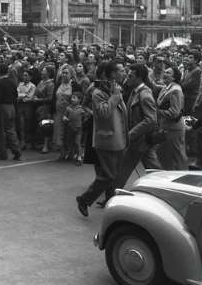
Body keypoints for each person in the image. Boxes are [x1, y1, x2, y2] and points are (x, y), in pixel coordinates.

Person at [76, 61, 128, 217]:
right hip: (106, 139)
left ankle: (111, 202)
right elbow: (104, 113)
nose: (123, 73)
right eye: (120, 70)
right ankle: (84, 199)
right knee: (109, 175)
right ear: (110, 74)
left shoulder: (115, 88)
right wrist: (115, 96)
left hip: (119, 137)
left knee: (113, 174)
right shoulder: (98, 92)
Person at [114, 64, 160, 194]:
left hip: (139, 140)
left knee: (124, 168)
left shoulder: (144, 94)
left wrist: (130, 134)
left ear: (139, 78)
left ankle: (111, 194)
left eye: (131, 76)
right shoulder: (137, 91)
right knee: (153, 169)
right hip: (140, 140)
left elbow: (151, 120)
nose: (127, 78)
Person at [156, 67, 188, 170]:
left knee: (177, 159)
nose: (164, 73)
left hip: (174, 129)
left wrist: (157, 112)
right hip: (166, 127)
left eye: (168, 73)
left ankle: (184, 178)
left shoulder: (175, 90)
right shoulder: (166, 87)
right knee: (165, 157)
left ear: (174, 77)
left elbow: (174, 113)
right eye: (164, 71)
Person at [0, 63, 22, 161]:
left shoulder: (0, 83)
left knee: (0, 131)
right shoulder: (12, 82)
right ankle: (16, 150)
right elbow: (16, 95)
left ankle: (2, 154)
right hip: (11, 107)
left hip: (2, 108)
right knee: (11, 130)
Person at [62, 92, 87, 165]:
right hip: (70, 128)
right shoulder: (68, 108)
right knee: (69, 142)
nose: (72, 99)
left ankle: (79, 157)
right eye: (72, 97)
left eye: (74, 98)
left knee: (77, 142)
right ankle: (71, 154)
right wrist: (65, 118)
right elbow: (64, 115)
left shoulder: (81, 109)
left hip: (78, 129)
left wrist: (83, 121)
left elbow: (85, 117)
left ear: (79, 100)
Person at [17, 70, 36, 150]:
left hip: (28, 107)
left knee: (28, 124)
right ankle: (22, 141)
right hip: (20, 106)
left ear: (30, 77)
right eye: (23, 75)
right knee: (21, 124)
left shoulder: (32, 86)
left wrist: (22, 96)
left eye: (26, 75)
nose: (24, 77)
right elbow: (17, 94)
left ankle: (30, 141)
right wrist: (24, 95)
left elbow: (30, 97)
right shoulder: (20, 84)